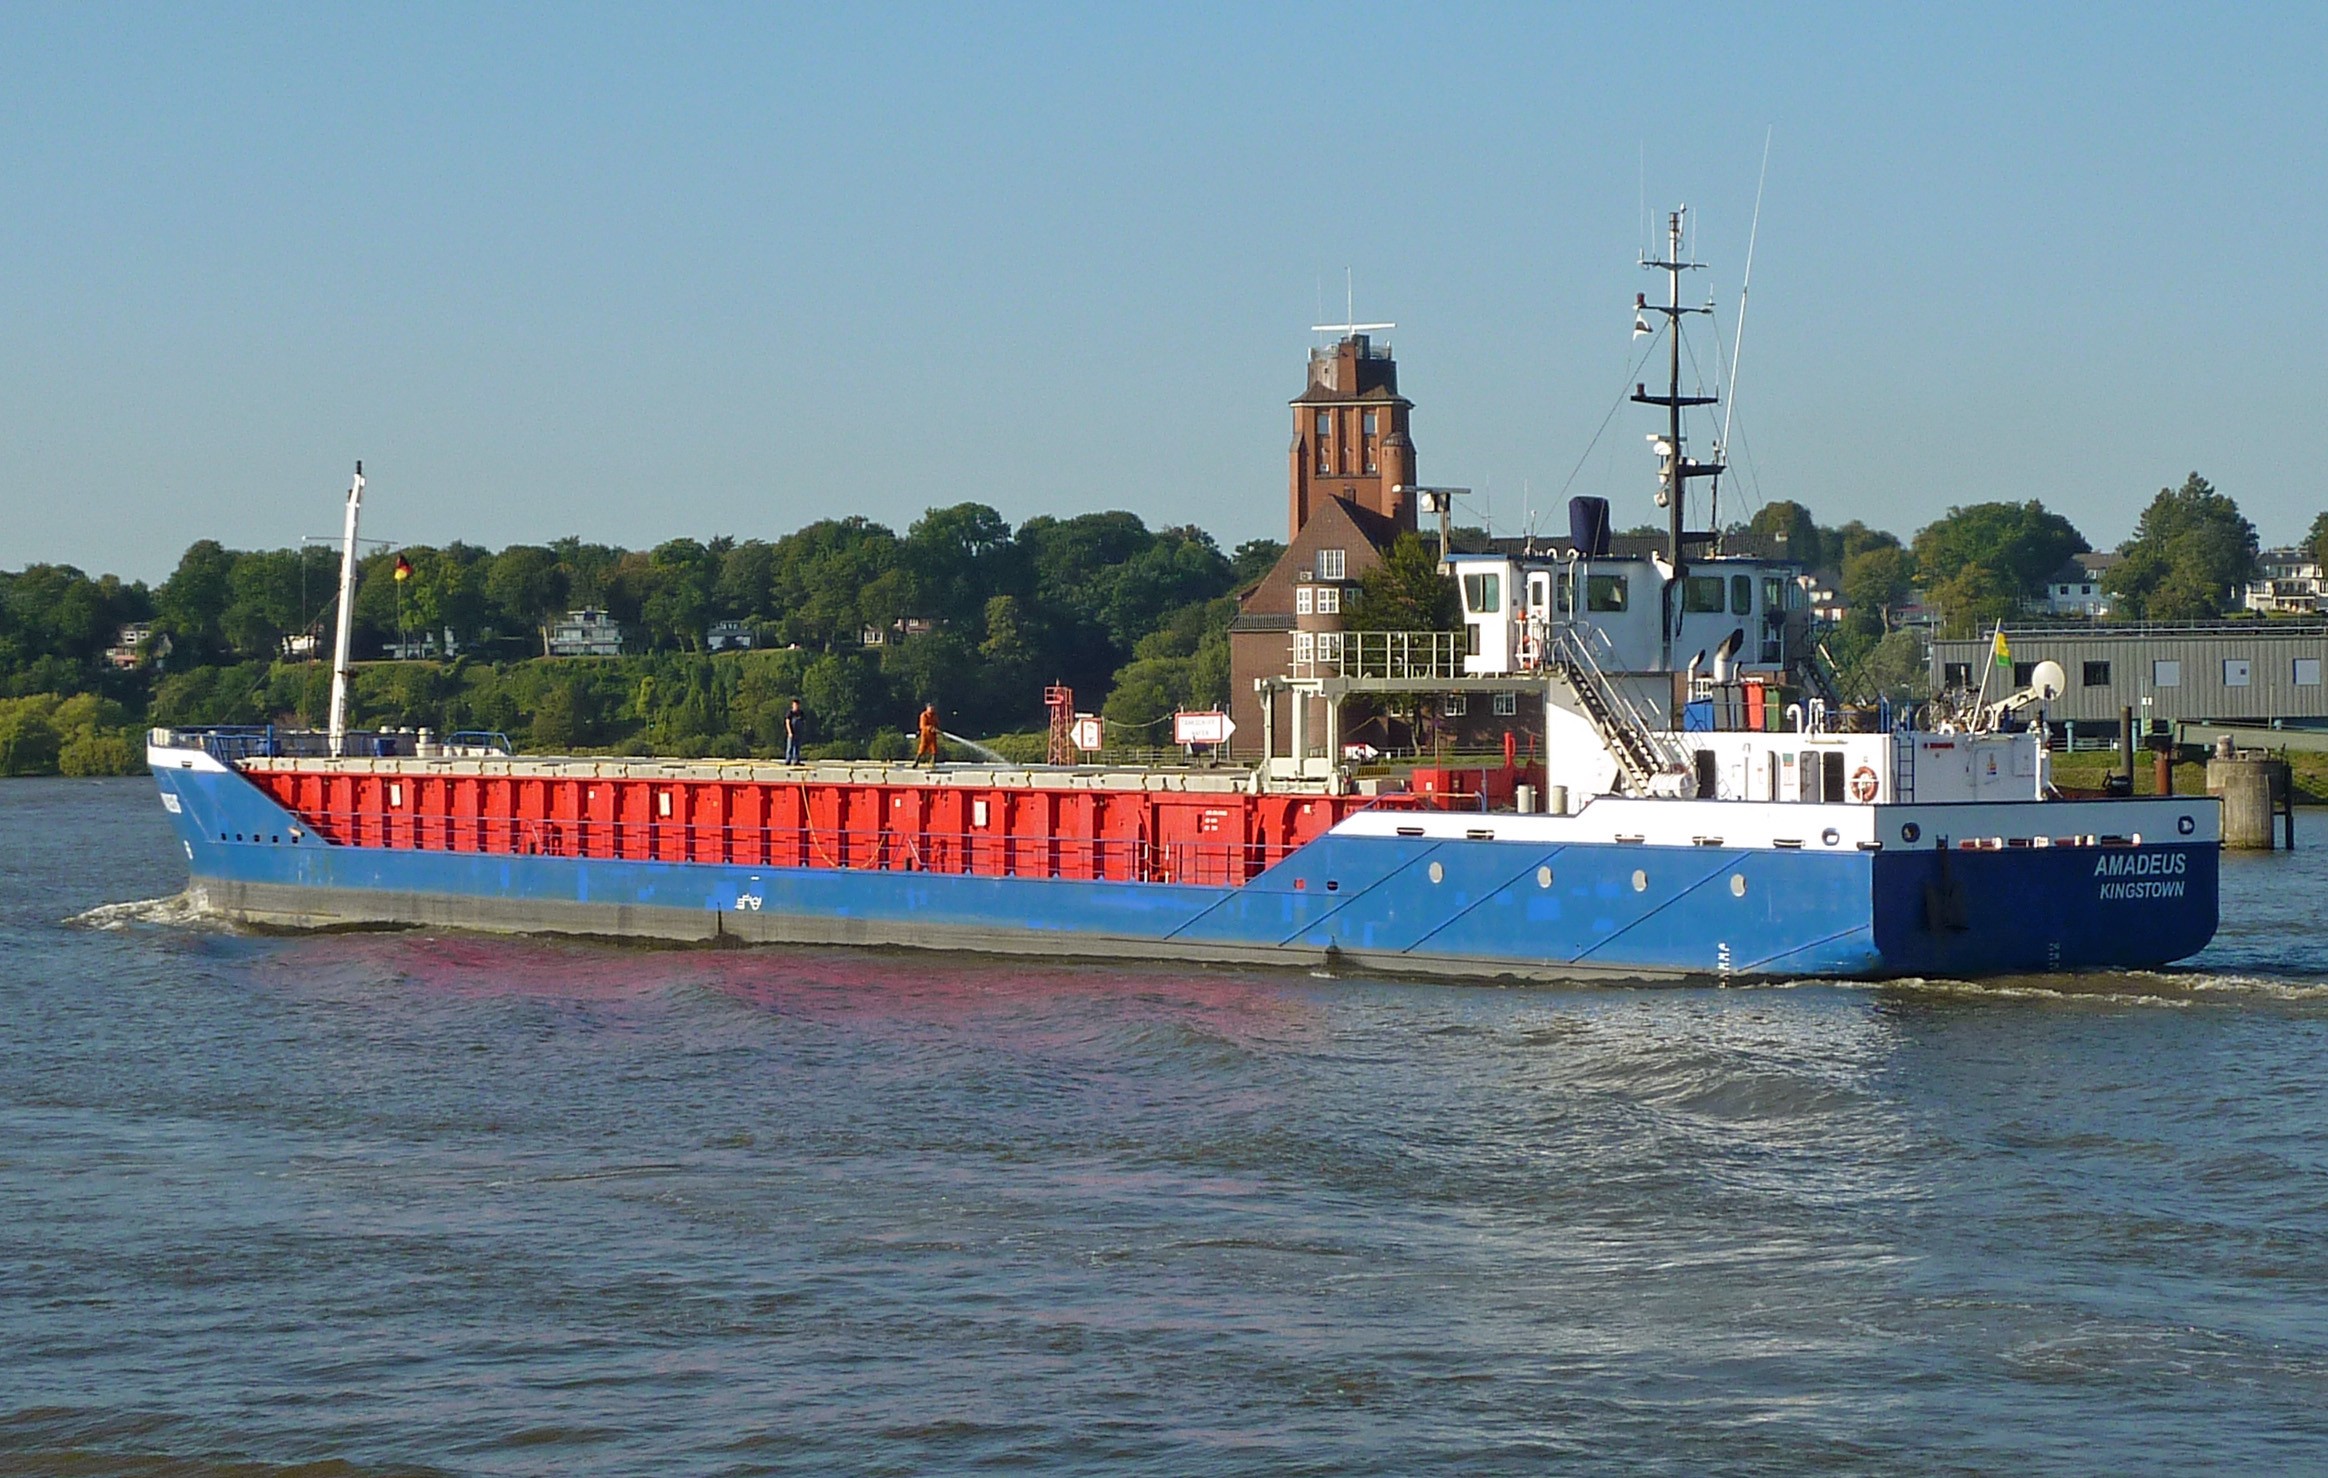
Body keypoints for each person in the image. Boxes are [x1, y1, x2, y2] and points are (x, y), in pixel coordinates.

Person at [915, 702, 941, 767]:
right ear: (927, 708)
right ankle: (916, 762)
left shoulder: (935, 716)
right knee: (922, 748)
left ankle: (933, 762)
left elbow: (937, 724)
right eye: (930, 707)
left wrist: (937, 729)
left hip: (932, 735)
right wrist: (930, 728)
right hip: (925, 734)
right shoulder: (924, 715)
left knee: (934, 749)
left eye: (933, 707)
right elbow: (922, 726)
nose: (932, 708)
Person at [783, 699, 806, 765]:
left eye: (797, 705)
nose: (796, 706)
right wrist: (790, 732)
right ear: (792, 705)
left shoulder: (801, 713)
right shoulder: (790, 713)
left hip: (798, 733)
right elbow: (787, 723)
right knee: (790, 747)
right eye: (795, 705)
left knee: (797, 747)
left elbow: (803, 722)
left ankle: (796, 760)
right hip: (791, 733)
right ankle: (788, 760)